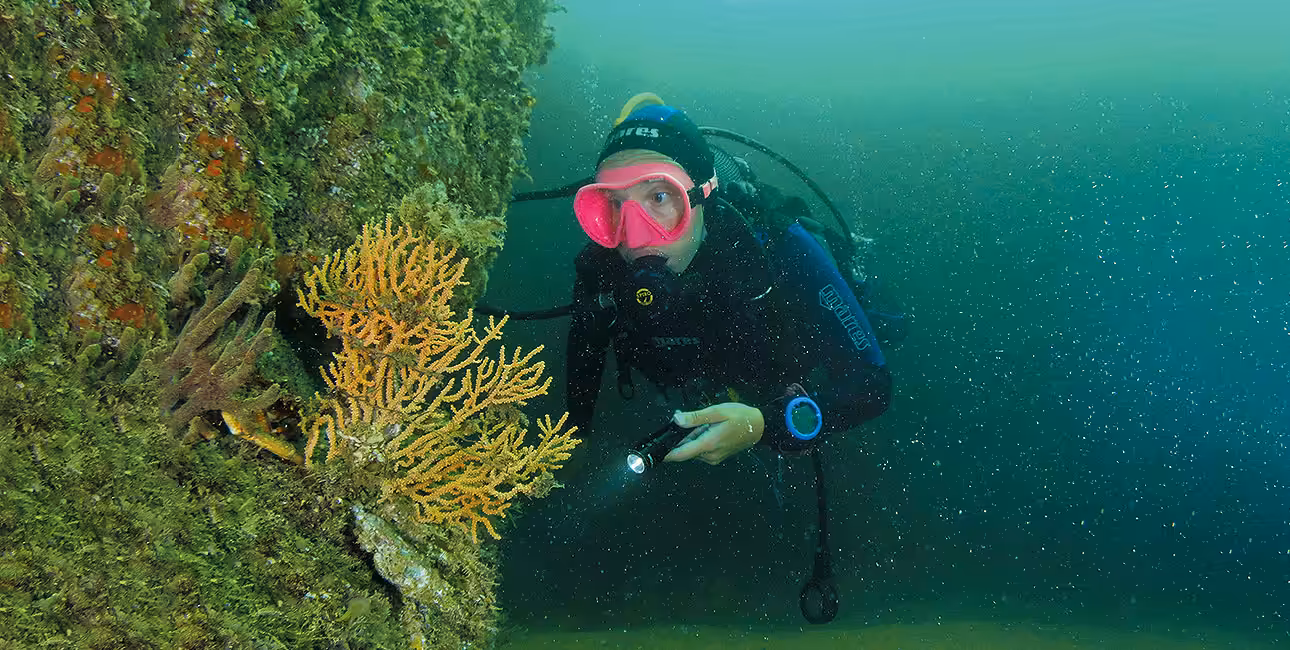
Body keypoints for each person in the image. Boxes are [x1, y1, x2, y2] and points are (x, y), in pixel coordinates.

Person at [565, 94, 892, 465]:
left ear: (704, 194)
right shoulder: (601, 266)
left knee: (886, 325)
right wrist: (578, 436)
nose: (635, 237)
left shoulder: (777, 248)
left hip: (776, 377)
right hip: (707, 378)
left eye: (659, 196)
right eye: (614, 204)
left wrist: (765, 426)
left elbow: (871, 385)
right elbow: (585, 348)